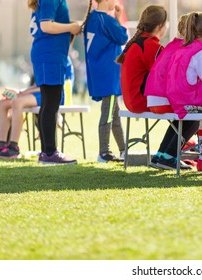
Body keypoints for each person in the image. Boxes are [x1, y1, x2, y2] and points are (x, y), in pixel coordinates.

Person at [155, 11, 202, 170]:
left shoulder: (183, 48)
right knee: (197, 119)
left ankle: (161, 154)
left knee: (182, 121)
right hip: (190, 100)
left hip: (177, 99)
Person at [28, 0, 81, 164]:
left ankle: (47, 152)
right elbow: (46, 25)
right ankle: (50, 152)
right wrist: (71, 27)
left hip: (50, 55)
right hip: (50, 56)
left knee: (48, 104)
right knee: (51, 104)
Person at [0, 58, 73, 159]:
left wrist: (21, 93)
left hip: (54, 95)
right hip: (38, 92)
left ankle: (13, 147)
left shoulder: (58, 57)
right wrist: (20, 92)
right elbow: (37, 85)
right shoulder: (42, 58)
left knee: (18, 101)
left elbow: (49, 87)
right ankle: (1, 144)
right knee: (2, 103)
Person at [83, 0, 127, 163]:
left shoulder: (92, 18)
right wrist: (118, 17)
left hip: (100, 72)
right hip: (108, 73)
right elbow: (122, 37)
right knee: (108, 114)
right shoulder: (105, 19)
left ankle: (124, 150)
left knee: (114, 114)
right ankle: (104, 151)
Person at [117, 5, 167, 114]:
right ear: (160, 26)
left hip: (131, 101)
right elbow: (165, 76)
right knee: (188, 109)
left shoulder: (136, 44)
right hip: (142, 102)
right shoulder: (151, 46)